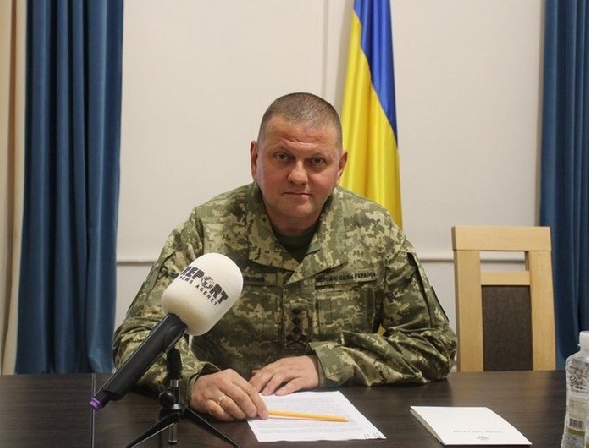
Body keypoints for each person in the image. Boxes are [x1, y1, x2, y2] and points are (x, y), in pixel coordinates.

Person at [113, 92, 457, 422]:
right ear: (255, 159)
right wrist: (193, 380)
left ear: (340, 167)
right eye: (282, 157)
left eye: (316, 161)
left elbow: (433, 345)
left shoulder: (374, 229)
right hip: (229, 422)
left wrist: (326, 364)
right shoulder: (208, 228)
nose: (297, 176)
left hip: (342, 423)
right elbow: (135, 336)